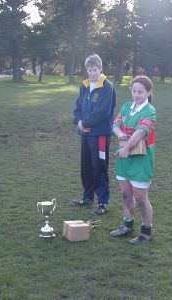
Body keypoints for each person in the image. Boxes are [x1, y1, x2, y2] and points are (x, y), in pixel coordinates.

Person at [110, 75, 156, 245]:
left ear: (148, 92)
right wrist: (120, 133)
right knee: (125, 194)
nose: (136, 95)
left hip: (140, 160)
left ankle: (146, 231)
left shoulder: (150, 111)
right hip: (124, 158)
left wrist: (126, 148)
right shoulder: (126, 107)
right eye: (134, 91)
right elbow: (115, 124)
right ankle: (127, 225)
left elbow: (140, 133)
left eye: (141, 92)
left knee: (141, 198)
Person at [70, 54, 117, 215]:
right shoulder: (85, 86)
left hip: (100, 135)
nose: (92, 73)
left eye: (95, 70)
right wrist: (78, 121)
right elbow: (77, 108)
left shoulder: (107, 87)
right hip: (85, 134)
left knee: (100, 167)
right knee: (86, 166)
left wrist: (86, 123)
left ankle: (103, 202)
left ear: (100, 69)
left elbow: (102, 112)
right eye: (89, 70)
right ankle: (87, 196)